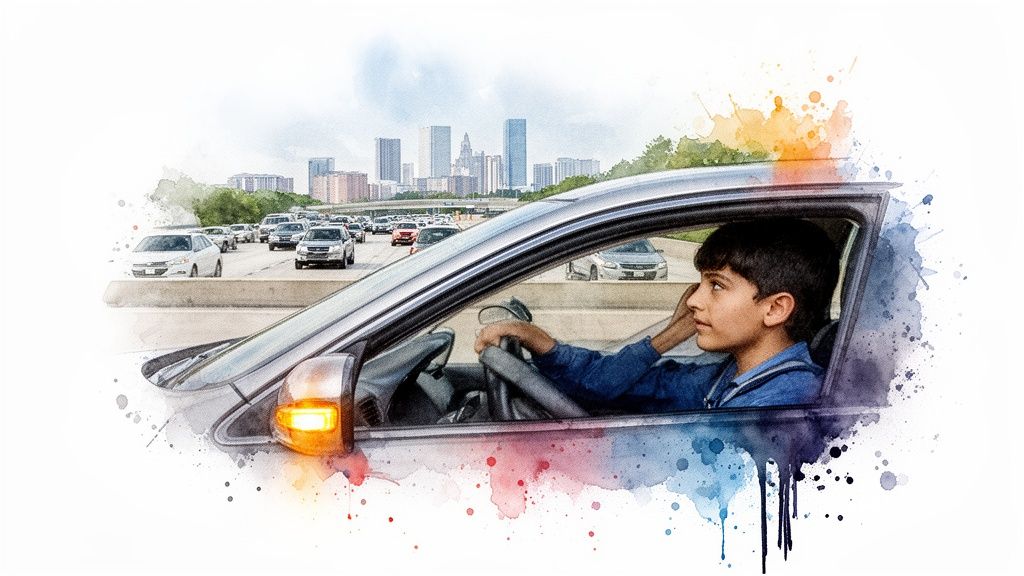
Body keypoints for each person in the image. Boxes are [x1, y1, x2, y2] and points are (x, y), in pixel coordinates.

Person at [473, 218, 840, 412]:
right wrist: (539, 340)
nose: (693, 300)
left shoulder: (784, 402)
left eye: (716, 286)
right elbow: (607, 385)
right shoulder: (726, 377)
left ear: (775, 308)